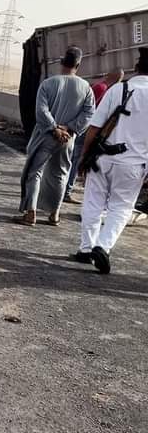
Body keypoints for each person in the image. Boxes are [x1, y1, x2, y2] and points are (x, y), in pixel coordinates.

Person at [73, 48, 148, 274]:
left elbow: (94, 127)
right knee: (121, 208)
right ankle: (102, 247)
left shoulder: (118, 89)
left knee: (93, 203)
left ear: (137, 67)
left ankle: (86, 249)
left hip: (102, 158)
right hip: (134, 165)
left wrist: (84, 157)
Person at [13, 46, 95, 227]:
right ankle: (55, 214)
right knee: (61, 174)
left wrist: (54, 128)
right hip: (68, 138)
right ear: (78, 65)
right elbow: (89, 114)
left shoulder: (48, 84)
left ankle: (31, 212)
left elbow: (41, 110)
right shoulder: (86, 88)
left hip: (45, 136)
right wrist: (69, 128)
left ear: (61, 62)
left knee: (34, 172)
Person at [64, 68, 123, 203]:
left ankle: (66, 188)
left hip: (86, 128)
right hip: (88, 129)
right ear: (117, 79)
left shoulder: (100, 87)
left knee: (74, 158)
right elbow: (92, 111)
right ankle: (66, 190)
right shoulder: (103, 89)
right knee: (76, 159)